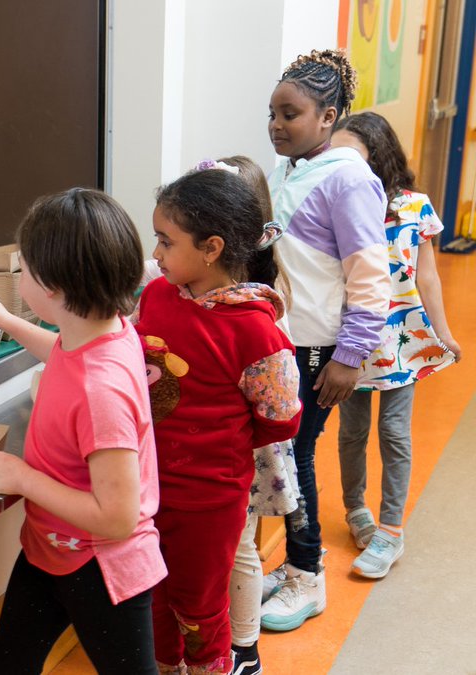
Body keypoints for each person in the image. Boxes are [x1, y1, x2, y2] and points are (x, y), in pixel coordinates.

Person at [0, 188, 166, 675]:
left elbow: (117, 517)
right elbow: (61, 352)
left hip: (103, 567)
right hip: (50, 548)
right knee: (8, 666)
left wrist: (22, 478)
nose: (20, 277)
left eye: (23, 270)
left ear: (51, 287)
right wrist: (7, 321)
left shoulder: (103, 392)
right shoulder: (105, 330)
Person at [135, 168, 301, 674]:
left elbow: (280, 419)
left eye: (166, 241)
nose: (157, 253)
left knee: (200, 609)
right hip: (145, 487)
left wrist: (219, 439)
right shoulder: (157, 297)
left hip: (208, 500)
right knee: (154, 596)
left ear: (211, 248)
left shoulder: (255, 331)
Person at [260, 49, 390, 632]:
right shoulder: (296, 169)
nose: (276, 125)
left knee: (295, 457)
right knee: (279, 456)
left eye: (290, 114)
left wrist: (348, 358)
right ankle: (293, 566)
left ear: (328, 115)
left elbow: (370, 279)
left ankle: (307, 578)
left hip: (319, 350)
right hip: (286, 343)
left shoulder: (349, 179)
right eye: (271, 113)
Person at [330, 112, 461, 579]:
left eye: (350, 153)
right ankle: (355, 511)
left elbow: (427, 275)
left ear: (377, 154)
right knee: (351, 433)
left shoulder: (415, 206)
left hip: (402, 343)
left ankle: (390, 529)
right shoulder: (340, 200)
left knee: (395, 432)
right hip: (352, 343)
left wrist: (442, 333)